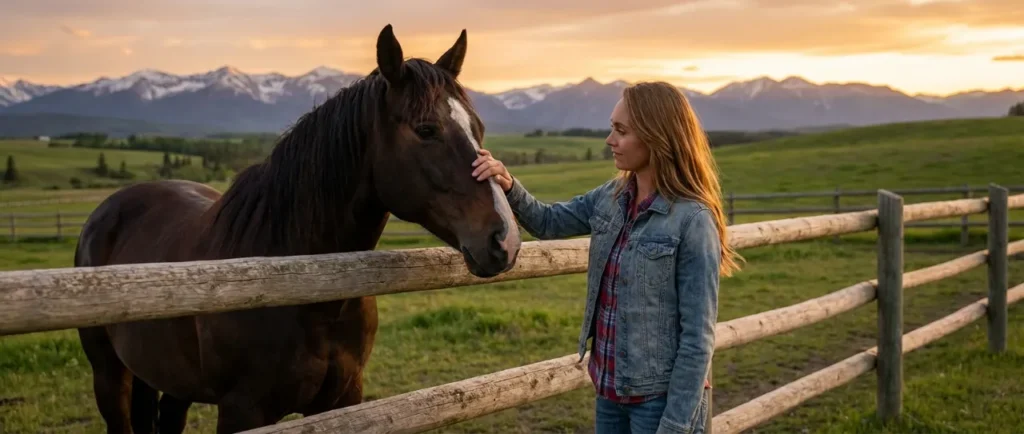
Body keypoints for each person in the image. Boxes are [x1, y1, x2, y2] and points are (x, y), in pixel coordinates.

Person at [471, 81, 742, 434]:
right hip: (609, 390)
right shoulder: (611, 197)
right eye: (612, 127)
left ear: (656, 136)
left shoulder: (693, 220)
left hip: (658, 400)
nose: (609, 140)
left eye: (621, 130)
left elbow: (698, 336)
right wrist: (508, 184)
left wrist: (676, 424)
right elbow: (549, 221)